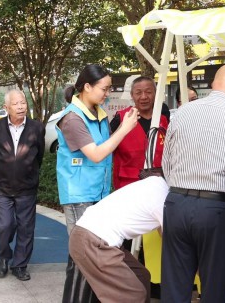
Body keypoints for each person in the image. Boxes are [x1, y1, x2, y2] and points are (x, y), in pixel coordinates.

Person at [161, 63, 225, 302]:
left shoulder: (182, 112)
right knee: (215, 289)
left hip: (175, 204)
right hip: (216, 210)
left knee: (174, 288)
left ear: (215, 84)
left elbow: (167, 165)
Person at [56, 64, 139, 303]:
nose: (107, 93)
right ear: (87, 87)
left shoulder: (99, 114)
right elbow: (95, 154)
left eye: (109, 88)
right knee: (82, 257)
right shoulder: (72, 118)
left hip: (98, 194)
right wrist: (124, 130)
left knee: (93, 256)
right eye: (104, 88)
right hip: (79, 196)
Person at [69, 176, 169, 303]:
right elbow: (173, 241)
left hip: (93, 238)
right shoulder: (163, 199)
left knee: (141, 277)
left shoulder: (156, 182)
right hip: (94, 242)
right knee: (132, 294)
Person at [0, 89, 45, 281]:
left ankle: (20, 265)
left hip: (27, 187)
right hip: (2, 187)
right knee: (5, 225)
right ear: (6, 107)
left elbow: (39, 156)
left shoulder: (37, 127)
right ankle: (3, 257)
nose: (21, 107)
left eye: (23, 102)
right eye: (16, 103)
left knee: (26, 228)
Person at [110, 76, 169, 190]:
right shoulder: (121, 118)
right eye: (138, 93)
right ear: (132, 95)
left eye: (148, 92)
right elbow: (107, 148)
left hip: (159, 184)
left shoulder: (163, 120)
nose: (144, 97)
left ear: (155, 94)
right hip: (129, 185)